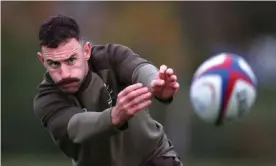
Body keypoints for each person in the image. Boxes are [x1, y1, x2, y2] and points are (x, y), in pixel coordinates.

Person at [33, 14, 182, 166]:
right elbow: (75, 127)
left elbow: (139, 68)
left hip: (153, 158)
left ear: (86, 51)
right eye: (54, 64)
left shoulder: (110, 57)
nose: (65, 74)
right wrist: (114, 116)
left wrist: (155, 82)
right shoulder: (46, 99)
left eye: (71, 60)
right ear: (42, 60)